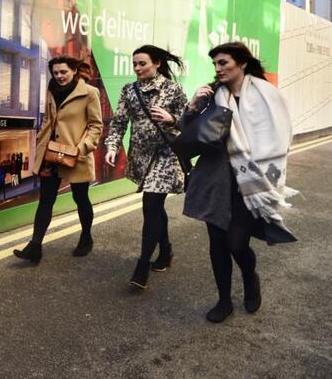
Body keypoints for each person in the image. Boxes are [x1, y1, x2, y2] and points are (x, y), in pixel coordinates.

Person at [180, 42, 297, 323]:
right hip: (215, 179)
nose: (218, 69)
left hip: (251, 181)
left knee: (236, 243)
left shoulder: (268, 95)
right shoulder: (212, 96)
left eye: (223, 63)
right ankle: (223, 300)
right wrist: (193, 106)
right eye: (215, 64)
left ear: (242, 63)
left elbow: (282, 134)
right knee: (216, 243)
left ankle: (249, 276)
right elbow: (188, 133)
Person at [104, 45, 189, 290]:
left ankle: (142, 266)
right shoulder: (129, 90)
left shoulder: (173, 90)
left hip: (166, 155)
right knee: (156, 207)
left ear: (157, 63)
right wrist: (112, 146)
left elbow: (189, 123)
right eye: (135, 64)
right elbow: (119, 123)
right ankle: (166, 251)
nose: (138, 68)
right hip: (141, 157)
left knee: (151, 204)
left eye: (143, 63)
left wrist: (172, 119)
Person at [14, 56, 103, 263]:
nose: (59, 76)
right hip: (52, 155)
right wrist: (41, 142)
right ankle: (35, 246)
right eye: (55, 73)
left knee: (80, 198)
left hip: (75, 155)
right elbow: (48, 119)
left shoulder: (90, 93)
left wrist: (80, 149)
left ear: (74, 71)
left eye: (63, 72)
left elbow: (96, 126)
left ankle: (86, 237)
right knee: (46, 200)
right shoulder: (51, 89)